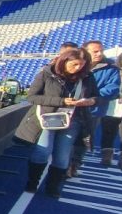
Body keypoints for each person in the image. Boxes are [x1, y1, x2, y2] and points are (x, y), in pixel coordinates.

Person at [15, 45, 97, 198]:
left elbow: (95, 97)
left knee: (62, 156)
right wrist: (62, 101)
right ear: (64, 61)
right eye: (74, 64)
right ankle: (32, 182)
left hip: (73, 121)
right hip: (48, 118)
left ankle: (52, 187)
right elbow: (32, 97)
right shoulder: (47, 73)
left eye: (82, 65)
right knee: (42, 151)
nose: (78, 68)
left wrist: (90, 101)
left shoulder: (87, 76)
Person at [68, 41, 119, 169]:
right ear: (85, 51)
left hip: (93, 110)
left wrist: (92, 98)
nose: (99, 53)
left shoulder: (111, 68)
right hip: (70, 108)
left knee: (84, 138)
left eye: (101, 50)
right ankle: (64, 163)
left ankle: (74, 164)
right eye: (95, 51)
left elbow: (112, 89)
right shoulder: (75, 63)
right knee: (67, 137)